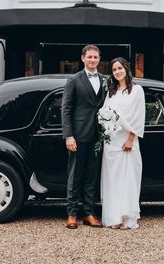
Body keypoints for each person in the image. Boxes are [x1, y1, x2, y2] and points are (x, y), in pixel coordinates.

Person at [61, 44, 105, 229]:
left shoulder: (104, 80)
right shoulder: (74, 80)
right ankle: (71, 214)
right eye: (90, 57)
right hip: (78, 135)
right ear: (83, 58)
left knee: (91, 176)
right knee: (75, 175)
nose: (93, 60)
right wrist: (68, 136)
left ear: (99, 59)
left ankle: (89, 213)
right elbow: (66, 109)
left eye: (96, 57)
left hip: (98, 136)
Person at [99, 57, 145, 230]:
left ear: (126, 68)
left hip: (128, 141)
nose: (117, 72)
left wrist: (131, 139)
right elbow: (104, 113)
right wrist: (107, 127)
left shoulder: (137, 90)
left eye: (120, 68)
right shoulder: (112, 92)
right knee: (113, 179)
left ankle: (128, 217)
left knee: (128, 178)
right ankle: (114, 216)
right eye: (114, 70)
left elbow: (139, 116)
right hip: (112, 142)